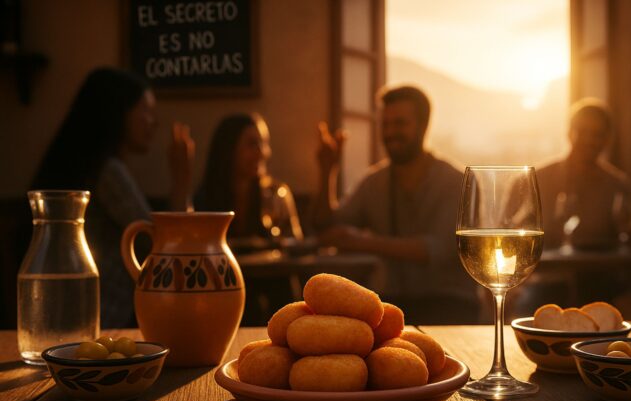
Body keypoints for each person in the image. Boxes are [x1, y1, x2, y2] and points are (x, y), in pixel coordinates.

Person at [31, 67, 193, 328]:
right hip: (105, 320)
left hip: (79, 317)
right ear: (119, 113)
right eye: (146, 111)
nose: (154, 121)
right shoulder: (108, 173)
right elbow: (167, 245)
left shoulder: (90, 166)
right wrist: (182, 179)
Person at [313, 85, 479, 324]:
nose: (390, 132)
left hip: (450, 303)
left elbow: (441, 249)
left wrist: (362, 242)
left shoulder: (459, 181)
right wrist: (327, 170)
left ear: (423, 127)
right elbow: (326, 226)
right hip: (390, 303)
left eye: (400, 123)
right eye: (385, 125)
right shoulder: (374, 182)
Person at [195, 113, 303, 324]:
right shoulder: (207, 196)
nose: (262, 152)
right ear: (228, 150)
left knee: (282, 285)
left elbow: (294, 244)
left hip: (271, 286)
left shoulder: (276, 194)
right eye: (252, 144)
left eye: (264, 144)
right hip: (224, 286)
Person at [536, 98, 631, 250]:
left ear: (607, 139)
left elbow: (628, 236)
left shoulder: (617, 185)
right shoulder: (537, 180)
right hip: (547, 271)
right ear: (569, 133)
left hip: (601, 272)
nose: (589, 140)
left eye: (597, 134)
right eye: (582, 131)